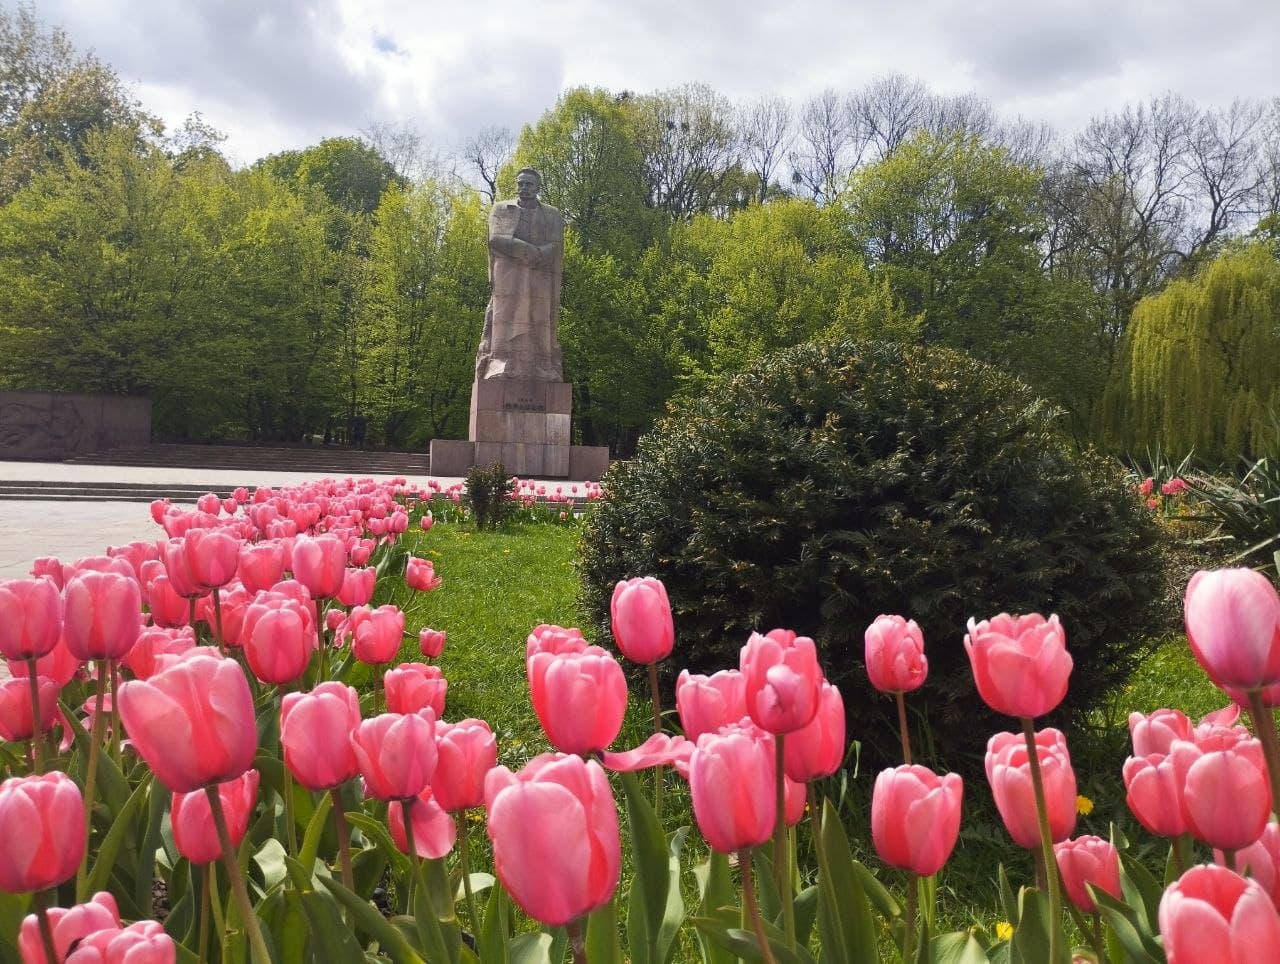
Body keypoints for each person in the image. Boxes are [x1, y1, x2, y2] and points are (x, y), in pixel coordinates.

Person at [474, 167, 565, 382]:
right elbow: (496, 239)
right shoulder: (501, 209)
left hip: (540, 274)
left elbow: (556, 244)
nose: (524, 188)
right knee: (504, 317)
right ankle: (500, 362)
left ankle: (543, 365)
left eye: (529, 184)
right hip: (509, 277)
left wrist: (541, 253)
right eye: (521, 184)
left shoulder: (552, 214)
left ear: (538, 187)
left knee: (540, 317)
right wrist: (528, 251)